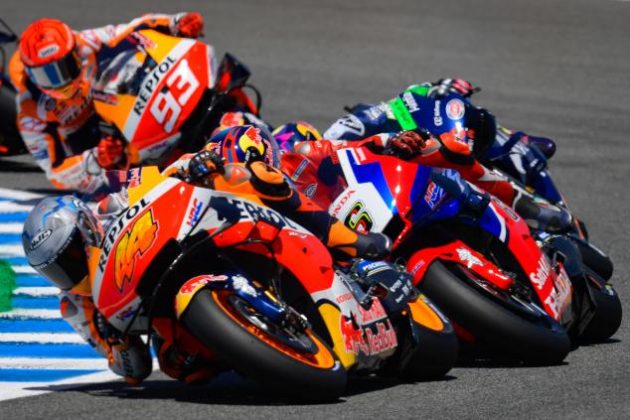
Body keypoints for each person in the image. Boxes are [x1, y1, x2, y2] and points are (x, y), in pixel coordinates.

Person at [21, 124, 391, 385]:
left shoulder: (109, 206)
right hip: (166, 309)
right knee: (180, 367)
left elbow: (159, 178)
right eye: (57, 270)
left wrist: (193, 166)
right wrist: (116, 345)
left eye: (71, 256)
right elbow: (133, 370)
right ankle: (265, 347)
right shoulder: (76, 307)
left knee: (250, 173)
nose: (70, 274)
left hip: (183, 240)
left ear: (86, 231)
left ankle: (346, 239)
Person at [9, 12, 204, 198]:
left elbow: (133, 29)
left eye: (64, 67)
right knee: (105, 188)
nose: (60, 82)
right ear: (30, 74)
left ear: (74, 53)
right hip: (89, 151)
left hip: (109, 114)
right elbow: (55, 173)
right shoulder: (30, 112)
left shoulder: (85, 42)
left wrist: (175, 22)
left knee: (127, 61)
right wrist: (94, 159)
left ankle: (174, 120)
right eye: (46, 75)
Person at [277, 120, 571, 232]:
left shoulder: (316, 153)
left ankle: (526, 207)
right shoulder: (280, 196)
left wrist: (397, 139)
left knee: (450, 150)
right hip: (354, 238)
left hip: (387, 195)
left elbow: (361, 144)